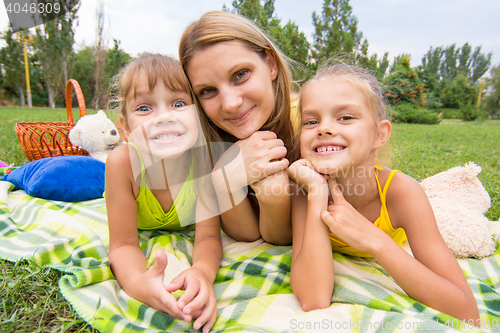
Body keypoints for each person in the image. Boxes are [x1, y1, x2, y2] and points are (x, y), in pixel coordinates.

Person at [288, 63, 480, 324]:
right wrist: (318, 193)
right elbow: (314, 298)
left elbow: (466, 310)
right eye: (312, 121)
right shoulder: (305, 188)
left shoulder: (402, 193)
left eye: (345, 117)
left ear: (379, 134)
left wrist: (372, 239)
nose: (324, 129)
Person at [105, 53, 222, 333]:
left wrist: (202, 272)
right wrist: (138, 283)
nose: (164, 117)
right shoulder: (122, 163)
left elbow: (207, 235)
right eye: (145, 108)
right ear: (125, 127)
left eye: (179, 103)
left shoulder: (205, 160)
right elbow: (122, 245)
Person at [179, 10, 297, 245]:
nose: (230, 104)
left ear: (271, 64)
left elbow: (284, 235)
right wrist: (224, 180)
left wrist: (276, 198)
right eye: (208, 91)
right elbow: (248, 234)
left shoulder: (310, 124)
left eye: (240, 75)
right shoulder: (205, 142)